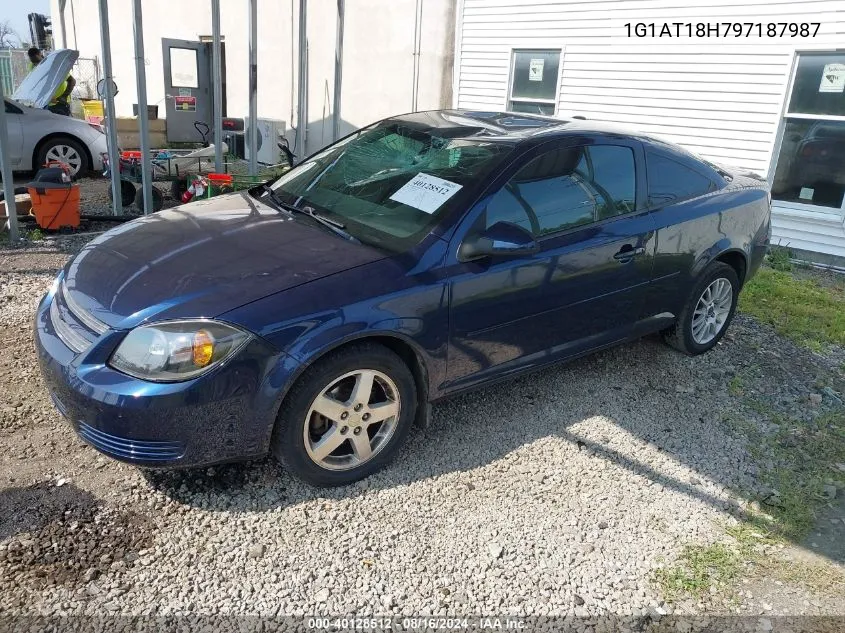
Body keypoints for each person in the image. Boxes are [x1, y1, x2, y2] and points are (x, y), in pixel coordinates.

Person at [27, 47, 76, 116]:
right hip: (45, 103)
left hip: (60, 104)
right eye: (34, 63)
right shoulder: (32, 67)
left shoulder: (54, 66)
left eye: (38, 62)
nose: (37, 65)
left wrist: (63, 97)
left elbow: (72, 81)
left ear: (40, 55)